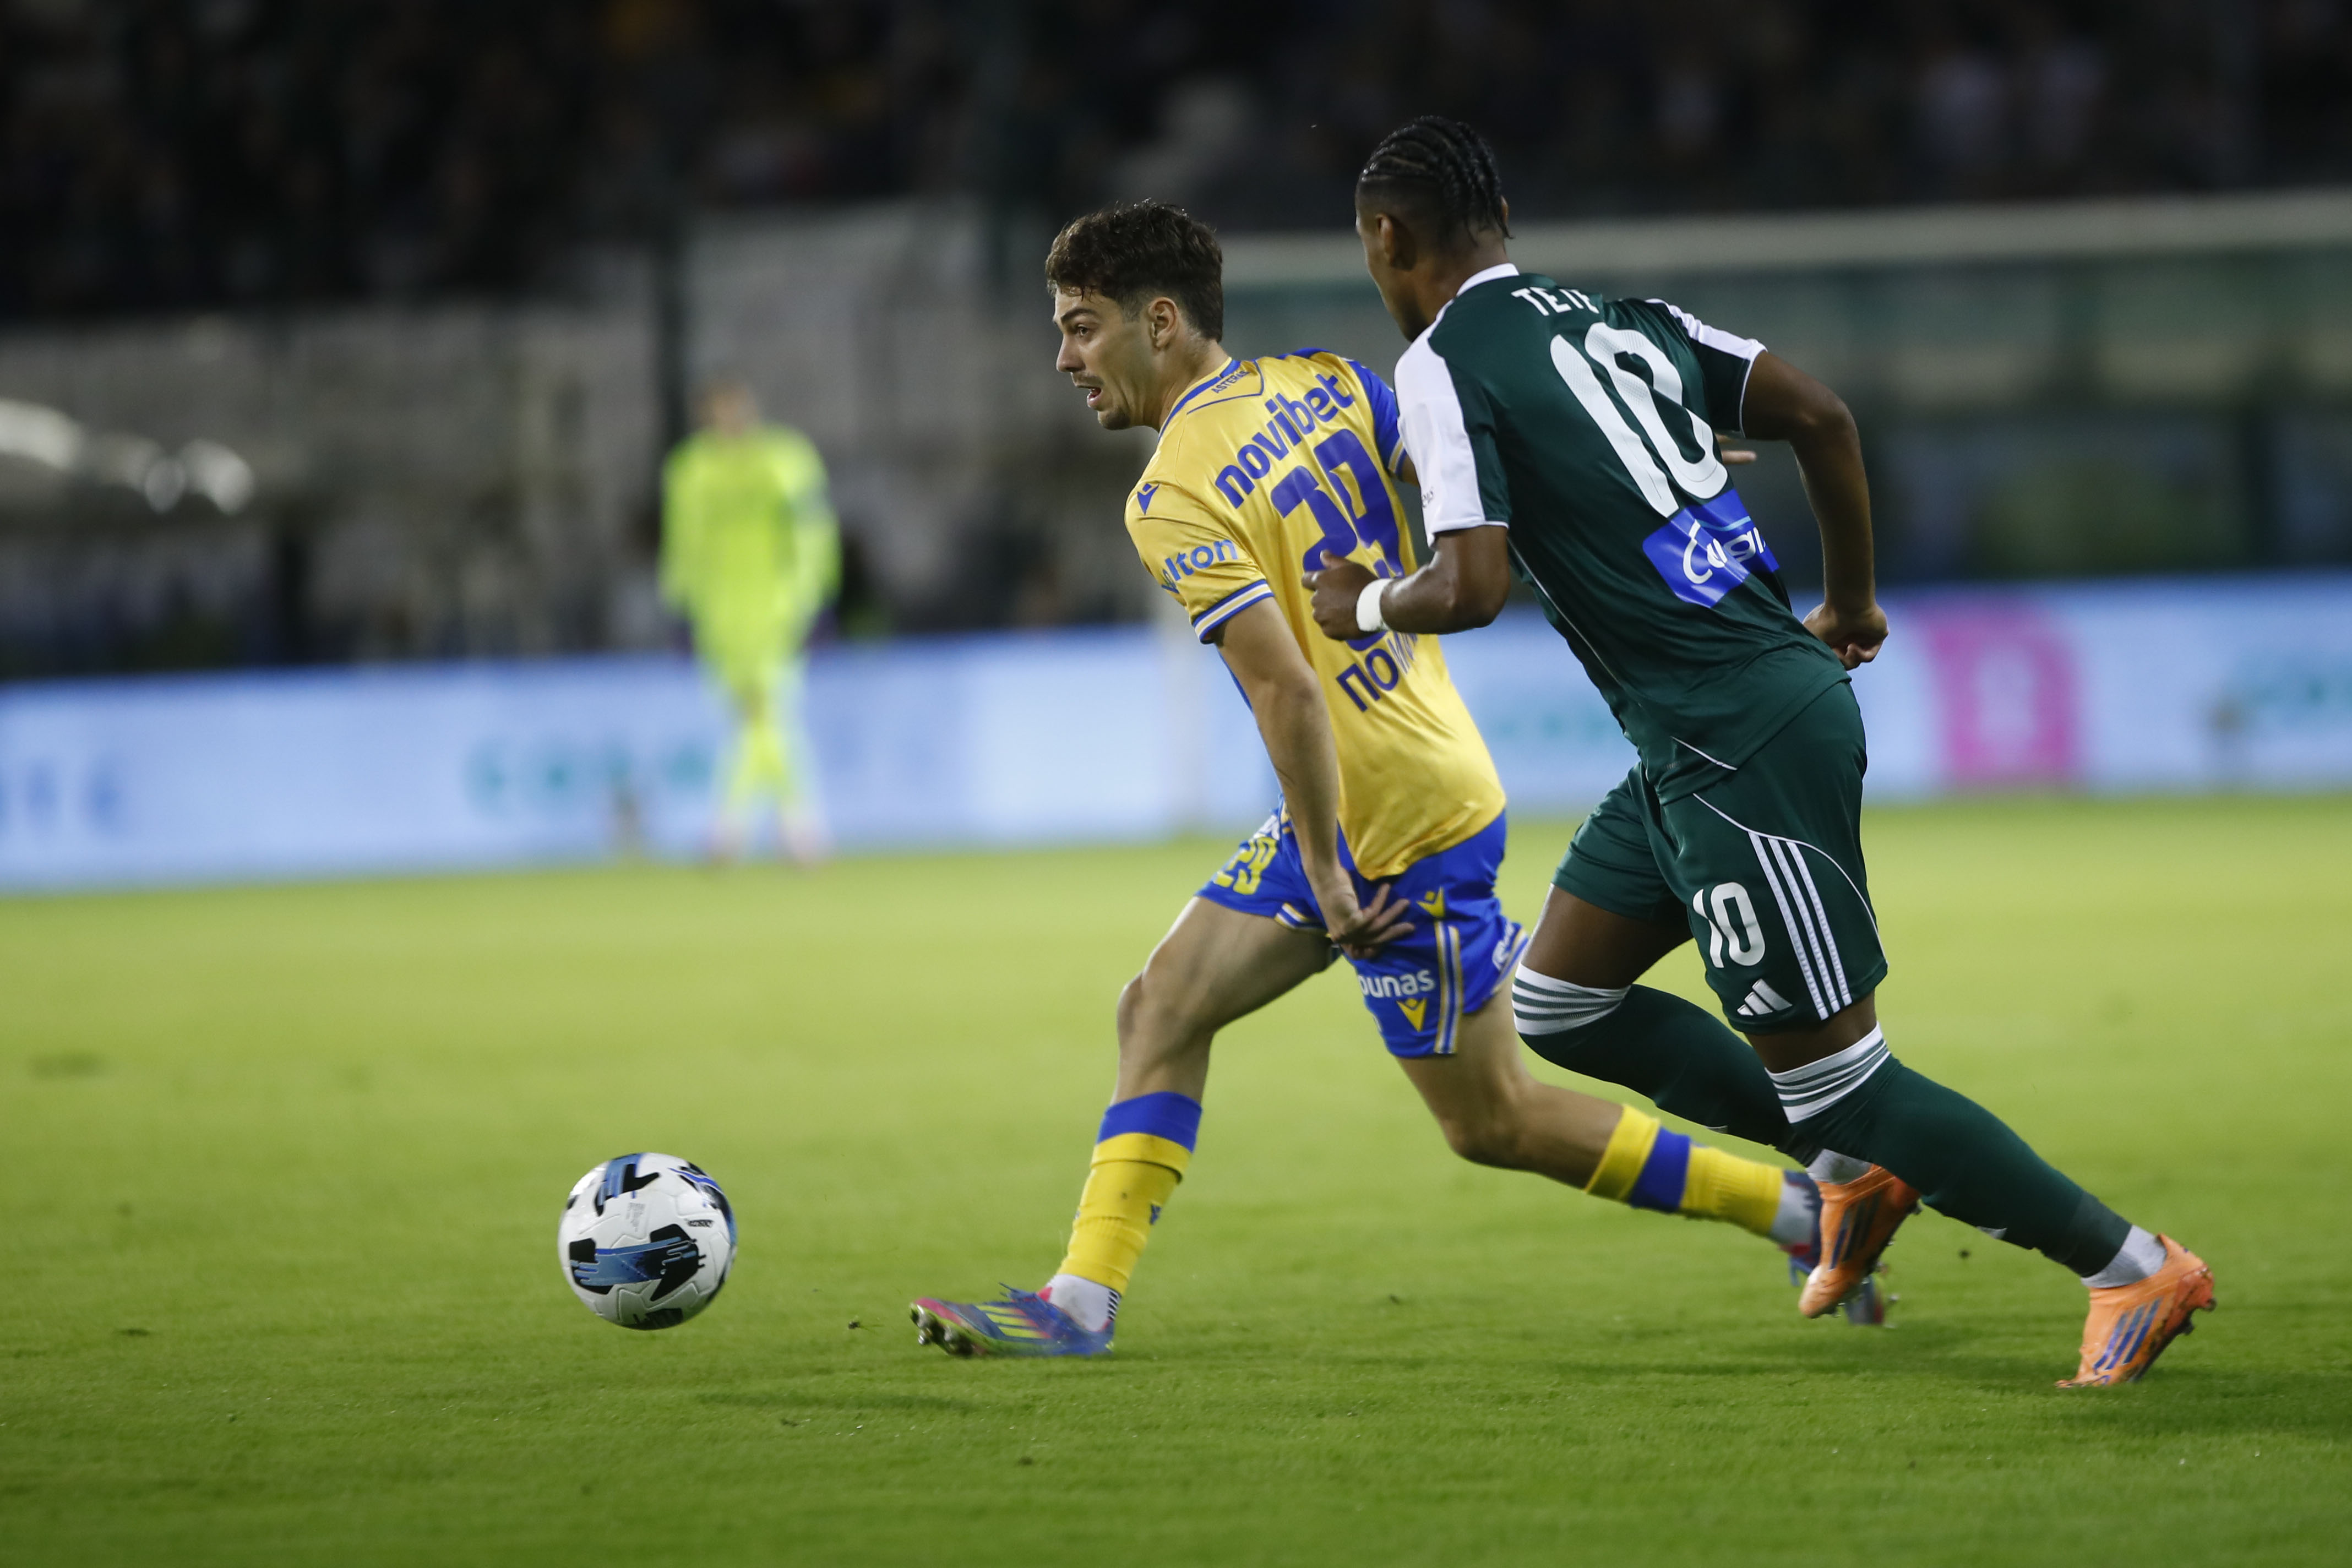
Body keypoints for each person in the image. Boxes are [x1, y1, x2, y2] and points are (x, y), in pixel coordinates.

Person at [1305, 116, 2213, 1388]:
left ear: (1386, 237)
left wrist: (1358, 602)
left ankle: (2130, 1263)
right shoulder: (1621, 320)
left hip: (1739, 740)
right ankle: (1850, 1172)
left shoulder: (1443, 361)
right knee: (1562, 1001)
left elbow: (1469, 585)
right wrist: (1852, 601)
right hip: (1698, 732)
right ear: (1500, 220)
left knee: (1846, 1076)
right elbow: (1821, 415)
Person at [911, 200, 1867, 1361]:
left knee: (1492, 1119)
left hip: (1390, 822)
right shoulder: (1330, 383)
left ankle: (1803, 1206)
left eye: (1079, 327)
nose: (1064, 358)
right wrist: (1639, 463)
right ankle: (1080, 1300)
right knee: (1159, 1006)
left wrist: (1326, 864)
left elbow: (1286, 688)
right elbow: (1490, 481)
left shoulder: (1170, 496)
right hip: (1375, 790)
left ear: (1159, 322)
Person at [660, 378, 840, 862]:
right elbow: (682, 544)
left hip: (778, 608)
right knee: (760, 721)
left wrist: (817, 598)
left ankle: (733, 827)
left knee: (762, 713)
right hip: (719, 615)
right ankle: (798, 824)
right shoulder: (691, 470)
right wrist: (680, 608)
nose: (728, 420)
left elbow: (812, 533)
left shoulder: (786, 460)